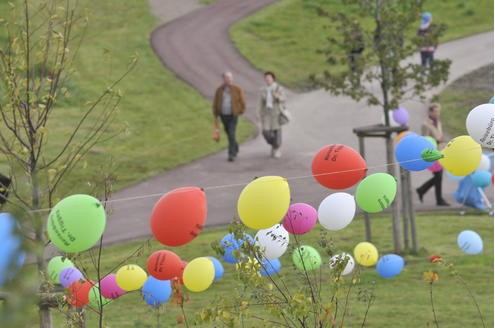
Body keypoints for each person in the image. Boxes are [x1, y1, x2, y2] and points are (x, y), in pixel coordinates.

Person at [416, 103, 449, 206]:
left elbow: (440, 134)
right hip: (432, 153)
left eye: (439, 111)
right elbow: (425, 139)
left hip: (440, 152)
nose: (438, 113)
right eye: (436, 111)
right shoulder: (425, 124)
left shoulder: (438, 122)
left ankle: (422, 190)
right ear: (430, 112)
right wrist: (437, 140)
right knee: (438, 176)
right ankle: (437, 199)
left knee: (438, 177)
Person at [212, 71, 246, 162]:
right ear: (223, 79)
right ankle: (235, 146)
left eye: (230, 78)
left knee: (231, 133)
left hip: (233, 115)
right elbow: (216, 102)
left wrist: (240, 111)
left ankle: (231, 154)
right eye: (227, 78)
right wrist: (216, 114)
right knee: (228, 133)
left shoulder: (237, 89)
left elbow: (242, 101)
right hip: (223, 115)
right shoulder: (219, 90)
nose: (229, 79)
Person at [258, 71, 286, 158]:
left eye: (269, 78)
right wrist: (258, 113)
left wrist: (277, 96)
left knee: (276, 131)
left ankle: (276, 149)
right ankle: (273, 145)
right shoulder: (263, 90)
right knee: (265, 132)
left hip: (276, 112)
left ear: (273, 79)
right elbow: (260, 103)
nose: (268, 80)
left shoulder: (278, 88)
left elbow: (283, 99)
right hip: (266, 113)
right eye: (266, 79)